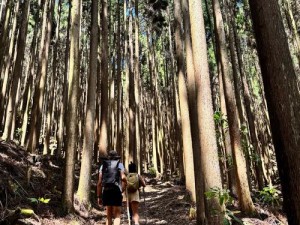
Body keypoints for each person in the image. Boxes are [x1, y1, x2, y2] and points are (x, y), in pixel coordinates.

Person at [97, 150, 127, 225]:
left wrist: (99, 196)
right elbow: (123, 178)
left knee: (109, 215)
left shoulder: (103, 166)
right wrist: (124, 186)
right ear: (116, 157)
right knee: (117, 215)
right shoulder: (120, 165)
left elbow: (99, 183)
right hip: (116, 190)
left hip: (106, 191)